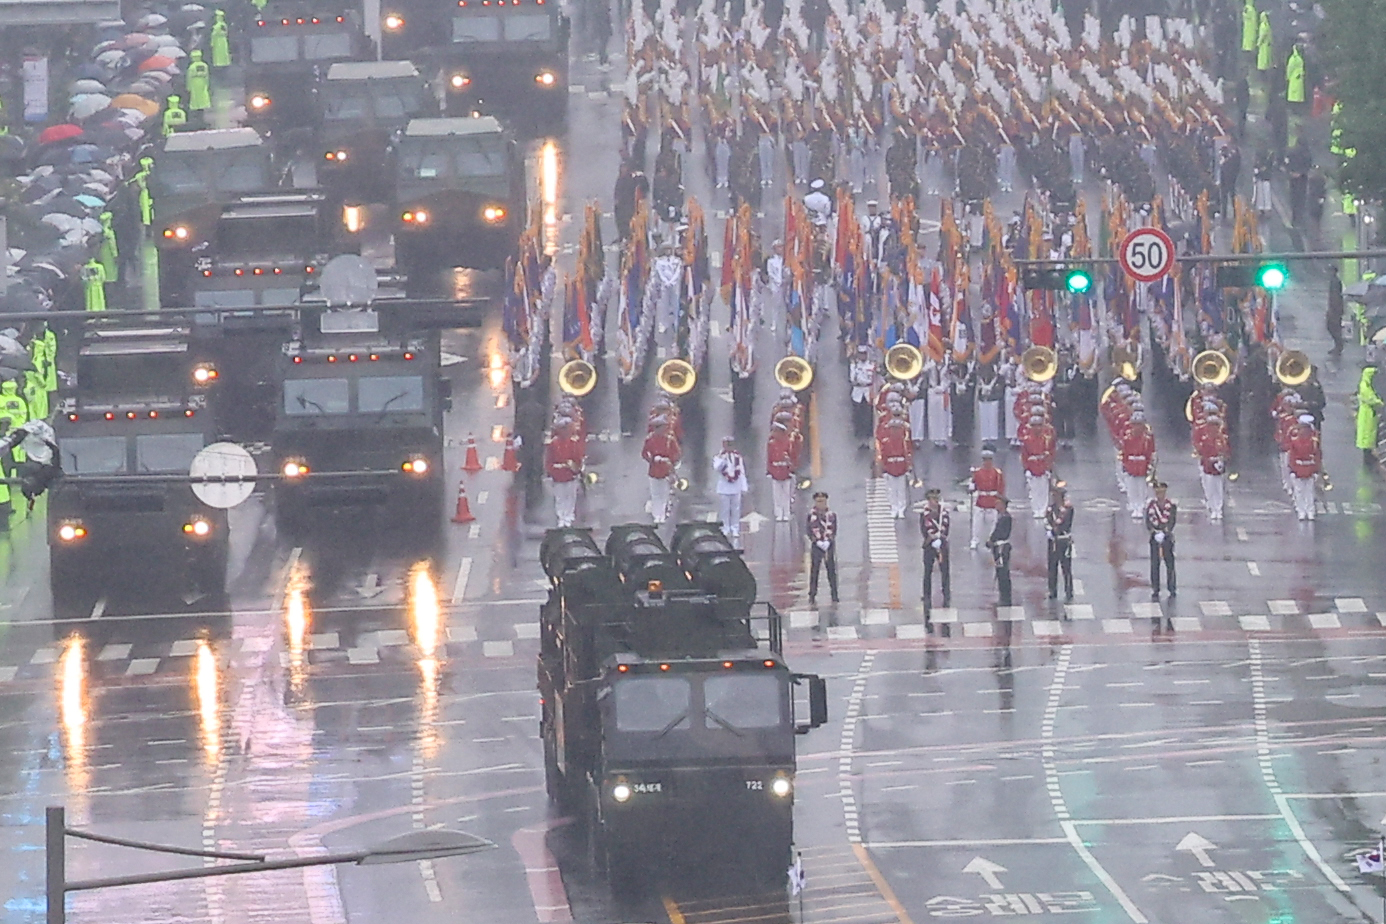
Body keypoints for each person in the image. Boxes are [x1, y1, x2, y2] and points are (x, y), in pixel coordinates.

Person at [545, 417, 584, 528]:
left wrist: (576, 468)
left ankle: (569, 516)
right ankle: (561, 517)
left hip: (570, 475)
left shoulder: (573, 443)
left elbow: (578, 459)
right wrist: (552, 471)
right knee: (560, 498)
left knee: (570, 497)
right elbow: (549, 460)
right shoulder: (554, 444)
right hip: (558, 476)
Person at [920, 488, 950, 621]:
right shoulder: (925, 514)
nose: (935, 502)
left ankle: (946, 591)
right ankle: (926, 593)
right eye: (933, 499)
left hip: (941, 543)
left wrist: (940, 538)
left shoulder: (943, 513)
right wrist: (931, 538)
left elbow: (946, 528)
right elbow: (923, 528)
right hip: (929, 544)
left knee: (945, 570)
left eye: (936, 499)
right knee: (928, 570)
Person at [642, 420, 680, 525]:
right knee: (655, 494)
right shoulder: (650, 439)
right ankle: (656, 515)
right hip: (654, 470)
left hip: (666, 470)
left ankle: (661, 515)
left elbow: (676, 453)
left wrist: (671, 462)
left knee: (664, 494)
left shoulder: (669, 440)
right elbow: (644, 453)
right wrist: (652, 459)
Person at [1145, 481, 1177, 599]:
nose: (1160, 495)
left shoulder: (1171, 505)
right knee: (1155, 564)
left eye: (1162, 492)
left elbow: (1172, 520)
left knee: (1170, 563)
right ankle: (1155, 587)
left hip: (1167, 537)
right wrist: (1154, 531)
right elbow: (1148, 520)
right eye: (1158, 493)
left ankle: (1172, 587)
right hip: (1155, 537)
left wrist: (1165, 532)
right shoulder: (1151, 505)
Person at [712, 436, 749, 539]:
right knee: (725, 509)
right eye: (727, 444)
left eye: (731, 444)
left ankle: (735, 528)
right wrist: (723, 460)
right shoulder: (719, 457)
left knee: (736, 508)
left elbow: (741, 471)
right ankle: (726, 527)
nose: (729, 447)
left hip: (736, 485)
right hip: (724, 486)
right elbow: (717, 468)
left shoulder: (738, 457)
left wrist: (744, 486)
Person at [1021, 412, 1055, 519]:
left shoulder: (1046, 439)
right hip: (1032, 467)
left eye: (1039, 425)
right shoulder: (1027, 440)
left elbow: (1052, 453)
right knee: (1034, 490)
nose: (1037, 428)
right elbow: (1024, 455)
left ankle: (1043, 509)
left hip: (1043, 466)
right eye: (1034, 426)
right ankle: (1036, 509)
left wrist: (1049, 468)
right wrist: (1026, 468)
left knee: (1044, 490)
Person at [877, 411, 912, 517]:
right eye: (893, 429)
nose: (895, 431)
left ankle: (901, 508)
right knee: (891, 489)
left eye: (897, 429)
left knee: (901, 489)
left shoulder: (904, 442)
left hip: (901, 466)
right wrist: (882, 467)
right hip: (890, 466)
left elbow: (908, 453)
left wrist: (909, 466)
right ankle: (893, 507)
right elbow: (882, 454)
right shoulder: (886, 442)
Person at [968, 448, 1004, 549]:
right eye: (985, 460)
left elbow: (1000, 488)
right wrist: (971, 486)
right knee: (977, 524)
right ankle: (975, 540)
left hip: (992, 500)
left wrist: (999, 501)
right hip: (981, 500)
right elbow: (973, 487)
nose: (986, 462)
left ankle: (991, 540)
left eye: (989, 460)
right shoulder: (978, 472)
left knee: (992, 524)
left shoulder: (997, 473)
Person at [806, 491, 839, 604]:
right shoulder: (811, 515)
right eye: (818, 501)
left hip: (828, 546)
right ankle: (812, 594)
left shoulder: (831, 515)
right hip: (817, 546)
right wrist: (816, 541)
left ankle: (834, 594)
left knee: (831, 570)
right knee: (815, 571)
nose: (821, 503)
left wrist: (829, 541)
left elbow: (834, 529)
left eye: (823, 501)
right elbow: (809, 530)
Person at [1287, 413, 1321, 520]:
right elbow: (1292, 456)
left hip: (1309, 469)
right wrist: (1292, 469)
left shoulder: (1314, 441)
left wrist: (1316, 470)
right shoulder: (1295, 440)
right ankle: (1301, 511)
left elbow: (1317, 456)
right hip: (1298, 469)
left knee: (1309, 492)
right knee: (1299, 491)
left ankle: (1310, 511)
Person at [1045, 484, 1074, 602]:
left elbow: (1065, 523)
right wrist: (1050, 530)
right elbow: (1047, 520)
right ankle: (1052, 590)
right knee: (1052, 566)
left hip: (1063, 540)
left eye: (1056, 495)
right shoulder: (1050, 509)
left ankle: (1068, 590)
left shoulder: (1068, 509)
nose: (1054, 498)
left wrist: (1057, 528)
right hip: (1053, 541)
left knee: (1066, 567)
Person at [766, 420, 796, 522]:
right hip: (776, 470)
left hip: (785, 470)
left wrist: (791, 467)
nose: (774, 433)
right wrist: (769, 470)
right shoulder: (771, 443)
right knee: (777, 494)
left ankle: (786, 512)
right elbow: (769, 457)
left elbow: (792, 455)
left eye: (776, 431)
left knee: (786, 493)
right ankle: (778, 513)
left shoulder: (788, 442)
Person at [986, 496, 1013, 606]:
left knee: (1003, 572)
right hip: (997, 547)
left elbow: (1000, 533)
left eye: (998, 503)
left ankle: (1005, 596)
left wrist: (991, 540)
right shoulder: (1001, 516)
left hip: (1001, 547)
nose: (996, 505)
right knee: (1000, 571)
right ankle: (1003, 594)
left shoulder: (1005, 517)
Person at [1357, 365, 1382, 465]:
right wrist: (1380, 403)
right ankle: (1367, 457)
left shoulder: (1367, 384)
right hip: (1367, 413)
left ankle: (1369, 453)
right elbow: (1370, 398)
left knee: (1370, 433)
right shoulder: (1364, 386)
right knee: (1366, 434)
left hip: (1370, 413)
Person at [849, 346, 875, 438]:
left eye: (864, 354)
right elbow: (852, 379)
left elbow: (873, 378)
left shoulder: (871, 365)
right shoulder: (855, 365)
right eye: (861, 354)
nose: (862, 356)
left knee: (868, 414)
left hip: (868, 391)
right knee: (858, 414)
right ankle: (859, 432)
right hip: (858, 391)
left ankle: (868, 432)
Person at [185, 50, 212, 126]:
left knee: (195, 99)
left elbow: (189, 77)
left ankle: (196, 116)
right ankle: (201, 114)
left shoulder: (191, 67)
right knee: (203, 98)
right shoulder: (205, 65)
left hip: (194, 83)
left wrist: (188, 86)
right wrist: (207, 84)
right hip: (203, 83)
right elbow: (207, 76)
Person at [1327, 265, 1345, 356]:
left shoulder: (1335, 281)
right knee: (1332, 327)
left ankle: (1339, 346)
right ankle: (1337, 346)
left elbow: (1335, 296)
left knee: (1333, 328)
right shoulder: (1333, 281)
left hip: (1335, 309)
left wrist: (1333, 309)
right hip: (1334, 308)